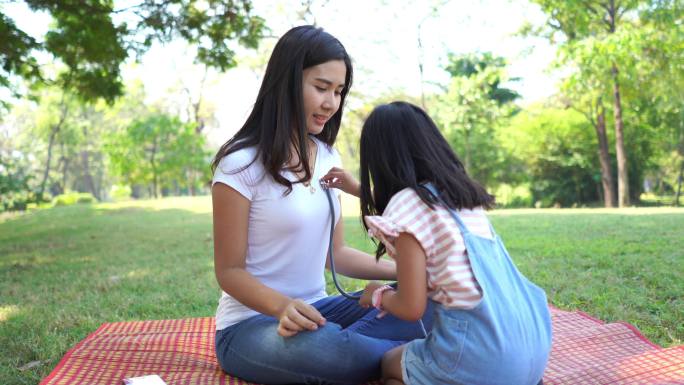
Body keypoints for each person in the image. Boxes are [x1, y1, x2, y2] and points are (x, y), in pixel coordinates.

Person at [210, 26, 432, 385]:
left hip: (321, 312)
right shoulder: (239, 163)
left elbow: (337, 254)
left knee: (427, 304)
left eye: (339, 91)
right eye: (321, 87)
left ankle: (392, 353)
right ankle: (424, 355)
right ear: (286, 83)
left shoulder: (328, 157)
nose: (332, 103)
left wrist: (410, 275)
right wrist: (282, 306)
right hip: (252, 326)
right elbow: (229, 271)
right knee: (335, 351)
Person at [327, 101, 552, 385]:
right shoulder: (461, 196)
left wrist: (377, 294)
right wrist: (359, 190)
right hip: (531, 349)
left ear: (378, 159)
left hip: (483, 357)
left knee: (389, 364)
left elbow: (411, 308)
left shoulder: (406, 209)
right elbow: (423, 215)